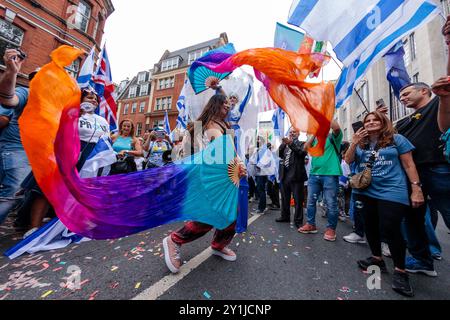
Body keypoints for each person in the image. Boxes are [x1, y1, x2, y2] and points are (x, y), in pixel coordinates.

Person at [162, 94, 246, 274]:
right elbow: (220, 145)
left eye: (227, 103)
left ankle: (218, 244)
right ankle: (175, 239)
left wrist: (240, 164)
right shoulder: (210, 125)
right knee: (210, 214)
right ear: (215, 105)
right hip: (211, 175)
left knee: (232, 212)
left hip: (226, 175)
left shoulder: (226, 125)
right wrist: (237, 163)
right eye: (223, 103)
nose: (227, 106)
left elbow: (231, 150)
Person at [346, 111, 424, 297]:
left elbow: (409, 165)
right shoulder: (361, 143)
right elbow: (348, 160)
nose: (371, 122)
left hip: (392, 191)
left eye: (375, 120)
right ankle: (377, 259)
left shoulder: (397, 139)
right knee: (370, 227)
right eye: (368, 121)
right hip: (366, 191)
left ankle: (400, 271)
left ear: (383, 122)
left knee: (391, 229)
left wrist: (416, 188)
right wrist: (354, 142)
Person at [17, 88, 111, 237]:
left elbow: (106, 140)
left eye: (95, 99)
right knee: (47, 190)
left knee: (73, 193)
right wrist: (72, 116)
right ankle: (34, 227)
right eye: (89, 98)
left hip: (88, 159)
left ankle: (67, 223)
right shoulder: (69, 113)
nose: (94, 101)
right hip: (64, 155)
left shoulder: (102, 121)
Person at [397, 82, 448, 276]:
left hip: (439, 170)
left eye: (406, 93)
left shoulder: (439, 104)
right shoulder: (402, 123)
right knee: (412, 219)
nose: (402, 98)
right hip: (413, 176)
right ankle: (422, 260)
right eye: (400, 96)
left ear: (424, 91)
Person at [0, 49, 32, 225]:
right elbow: (8, 99)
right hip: (14, 149)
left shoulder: (55, 103)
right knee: (12, 192)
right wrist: (11, 72)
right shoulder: (28, 93)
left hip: (30, 154)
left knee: (15, 194)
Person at [299, 120, 343, 242]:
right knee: (310, 201)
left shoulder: (332, 137)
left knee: (331, 203)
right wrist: (314, 133)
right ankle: (311, 224)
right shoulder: (314, 140)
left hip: (330, 174)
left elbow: (337, 128)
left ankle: (331, 229)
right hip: (314, 174)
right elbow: (305, 147)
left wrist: (324, 116)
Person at [276, 129, 308, 228]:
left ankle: (298, 220)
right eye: (290, 132)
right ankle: (285, 216)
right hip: (285, 176)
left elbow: (301, 153)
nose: (292, 133)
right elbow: (279, 154)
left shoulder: (302, 144)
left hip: (296, 176)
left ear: (298, 134)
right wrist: (283, 143)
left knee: (298, 200)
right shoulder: (285, 146)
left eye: (294, 132)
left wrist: (290, 143)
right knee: (285, 198)